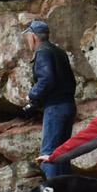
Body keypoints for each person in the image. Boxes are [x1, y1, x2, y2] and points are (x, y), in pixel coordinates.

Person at [23, 20, 78, 178]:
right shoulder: (58, 51)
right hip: (68, 104)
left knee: (49, 152)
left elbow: (46, 79)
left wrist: (31, 95)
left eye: (28, 36)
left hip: (55, 108)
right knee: (63, 153)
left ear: (33, 37)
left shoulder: (42, 52)